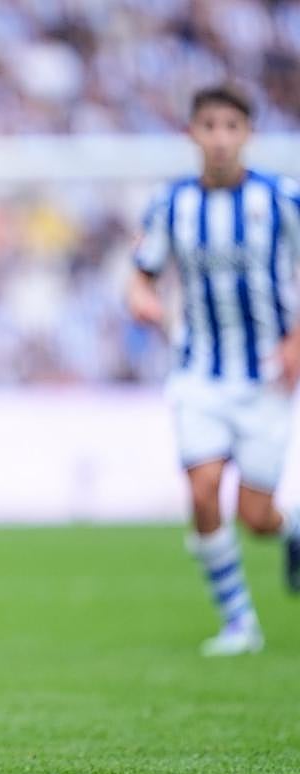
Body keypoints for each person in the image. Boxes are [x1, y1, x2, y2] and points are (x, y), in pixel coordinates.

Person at [127, 83, 300, 657]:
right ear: (192, 134)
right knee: (203, 493)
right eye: (209, 126)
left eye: (231, 126)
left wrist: (297, 340)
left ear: (247, 133)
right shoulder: (171, 203)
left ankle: (291, 528)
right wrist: (141, 300)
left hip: (267, 375)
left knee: (256, 516)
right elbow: (142, 273)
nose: (220, 138)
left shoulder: (282, 199)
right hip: (198, 373)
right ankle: (239, 623)